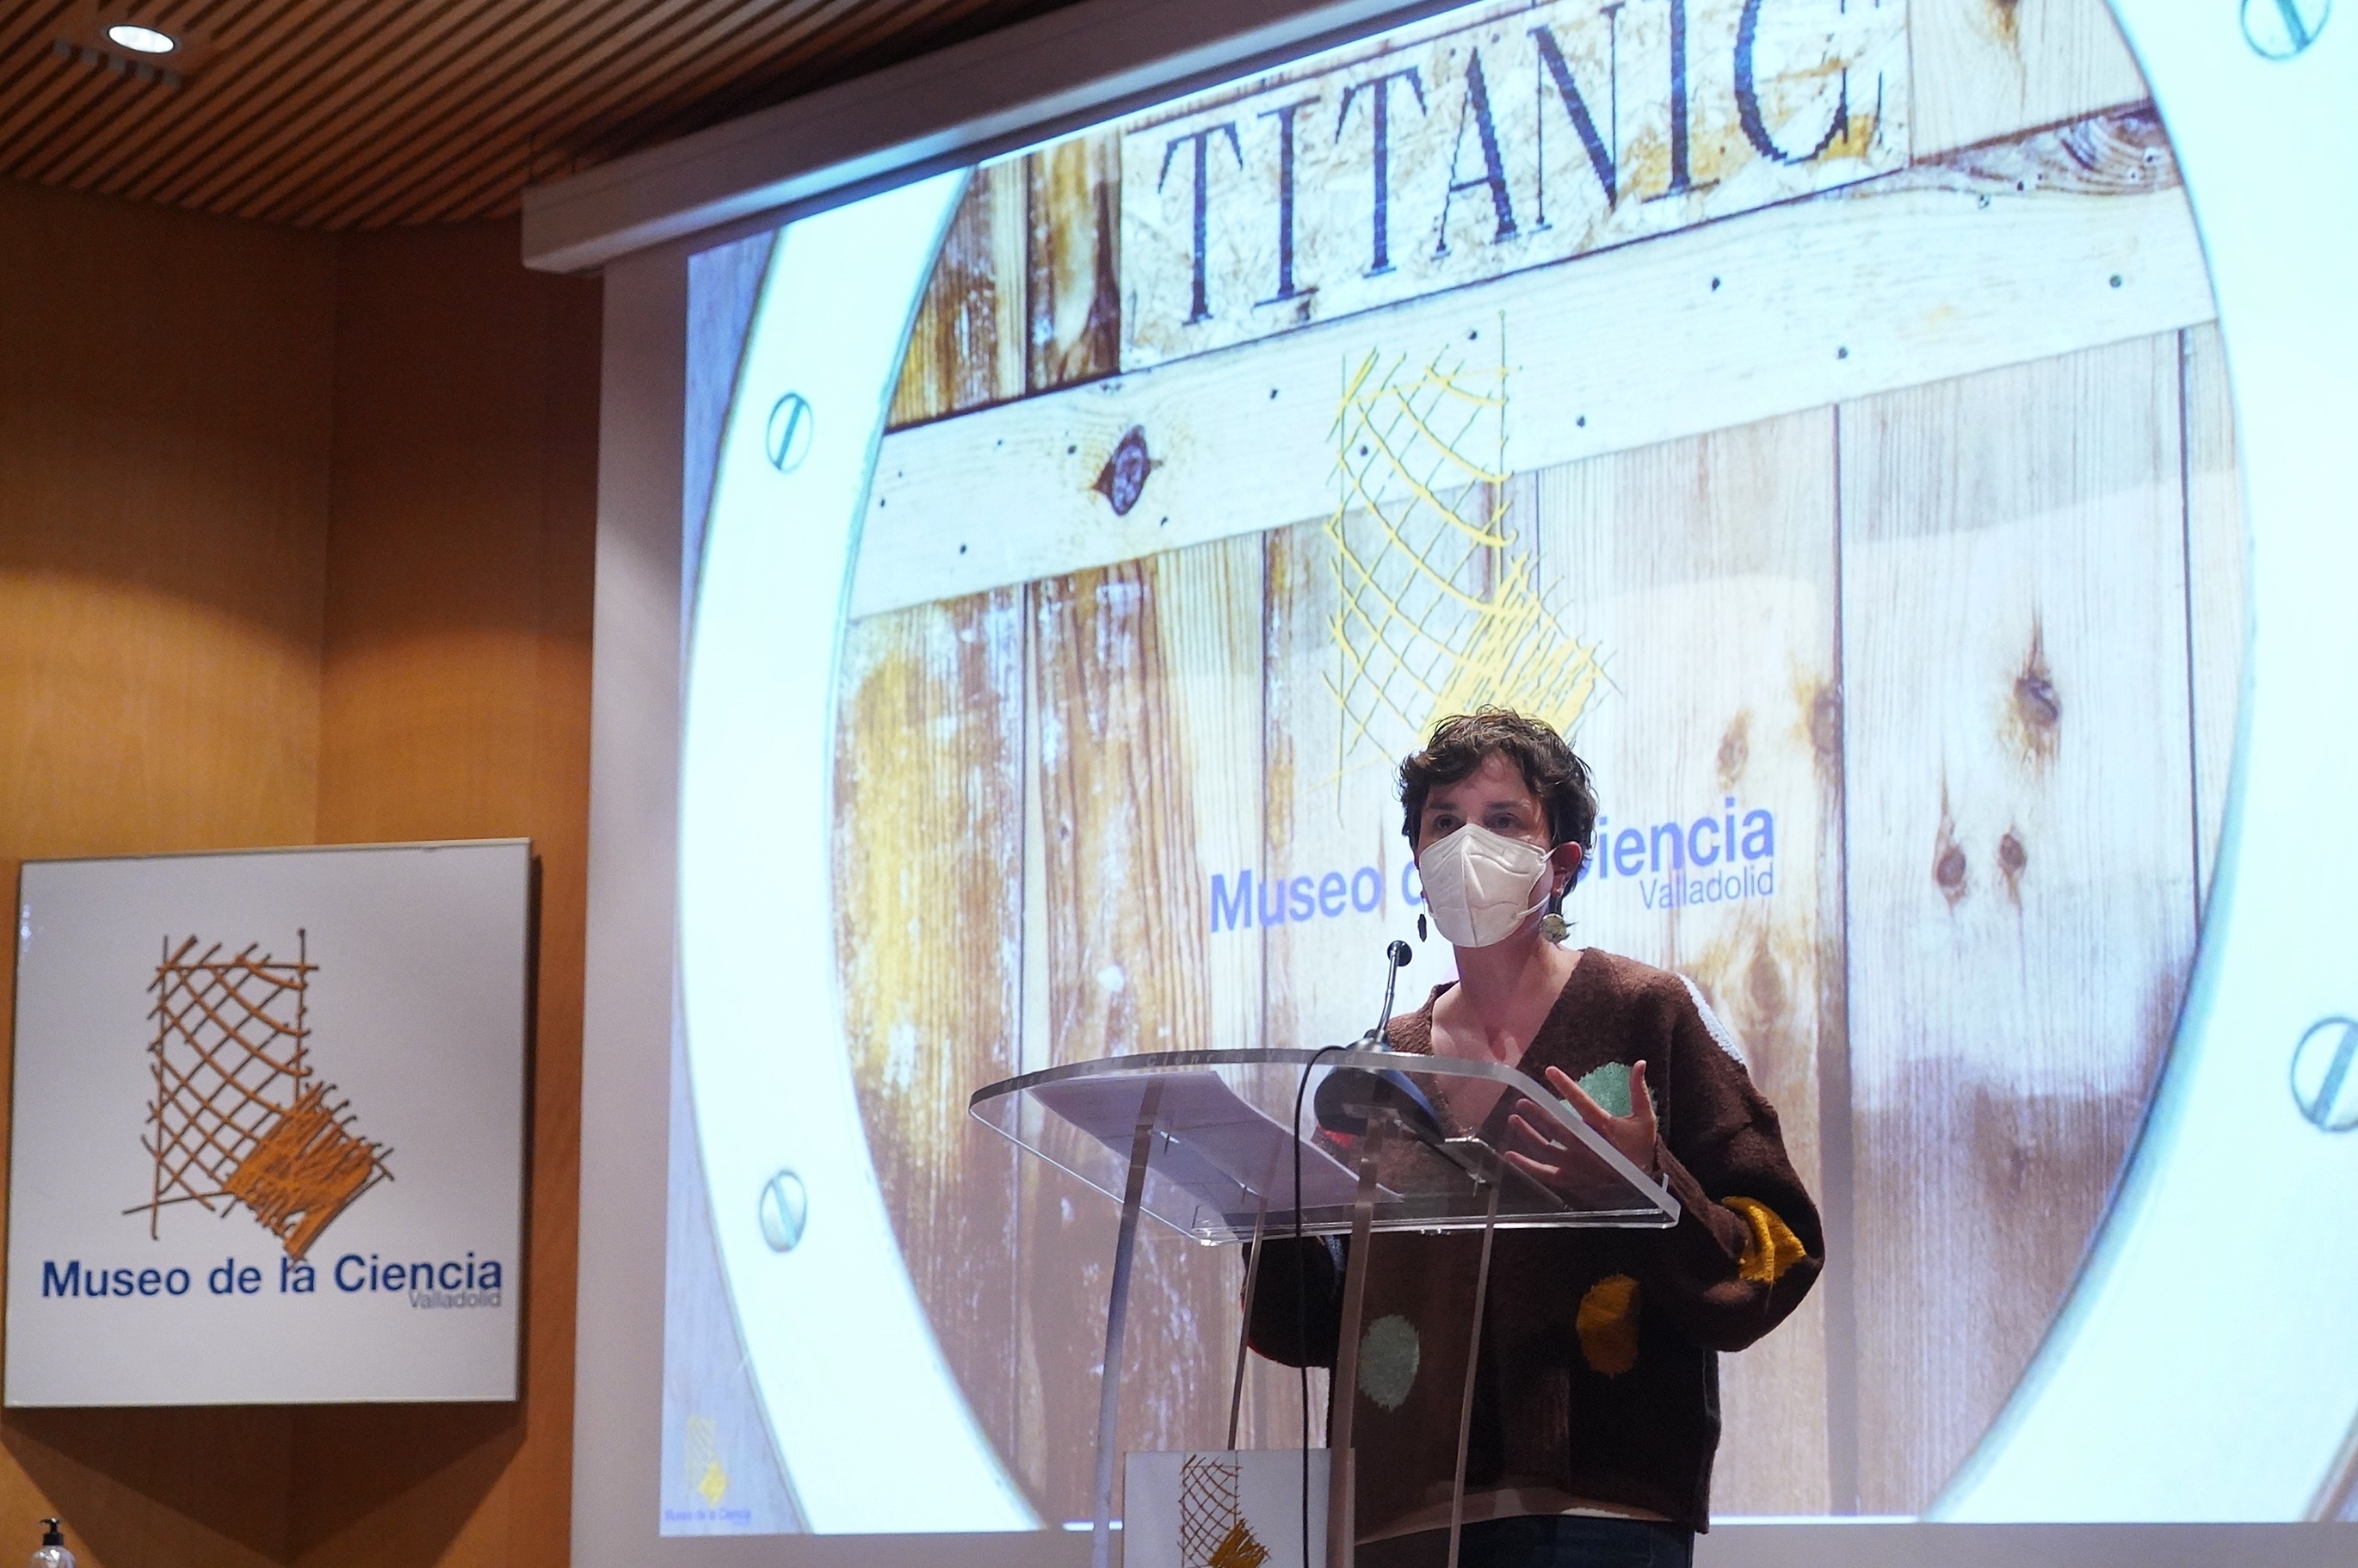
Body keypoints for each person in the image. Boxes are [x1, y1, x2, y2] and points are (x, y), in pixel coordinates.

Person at [1247, 708, 1822, 1568]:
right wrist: (1268, 1215)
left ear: (1561, 866)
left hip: (1599, 1511)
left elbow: (1777, 1253)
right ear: (1417, 862)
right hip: (1399, 1517)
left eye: (1503, 820)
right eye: (1444, 822)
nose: (1466, 845)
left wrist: (1647, 1187)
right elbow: (1307, 1328)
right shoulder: (1376, 1070)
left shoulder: (1647, 1013)